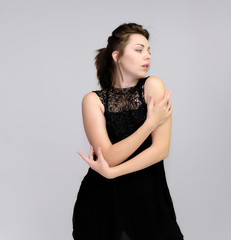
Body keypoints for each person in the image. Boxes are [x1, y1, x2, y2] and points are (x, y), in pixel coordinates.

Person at [72, 23, 184, 240]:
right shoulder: (93, 101)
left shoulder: (153, 86)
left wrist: (112, 173)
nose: (148, 56)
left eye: (149, 51)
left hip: (148, 201)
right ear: (117, 56)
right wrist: (150, 124)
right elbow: (109, 157)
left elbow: (160, 150)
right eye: (139, 49)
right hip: (102, 203)